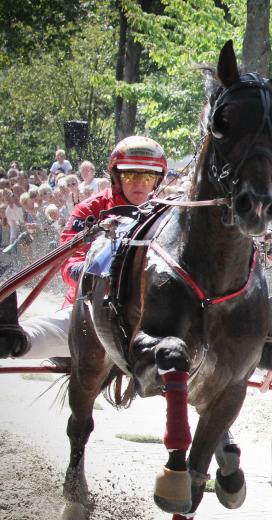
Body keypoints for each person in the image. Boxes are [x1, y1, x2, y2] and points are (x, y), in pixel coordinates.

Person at [0, 136, 167, 360]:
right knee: (43, 338)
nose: (139, 183)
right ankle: (16, 339)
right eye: (130, 175)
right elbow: (68, 262)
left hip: (149, 314)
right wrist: (92, 279)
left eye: (147, 176)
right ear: (116, 176)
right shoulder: (90, 209)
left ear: (158, 180)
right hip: (92, 307)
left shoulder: (168, 214)